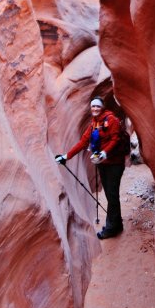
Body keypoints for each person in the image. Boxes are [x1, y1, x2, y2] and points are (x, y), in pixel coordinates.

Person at [55, 96, 125, 239]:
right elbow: (82, 142)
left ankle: (112, 228)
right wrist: (66, 157)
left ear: (102, 107)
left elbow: (115, 139)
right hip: (103, 164)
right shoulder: (94, 123)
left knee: (112, 195)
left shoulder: (111, 120)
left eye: (97, 106)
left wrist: (104, 153)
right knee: (110, 194)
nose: (95, 109)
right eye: (93, 106)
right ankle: (116, 223)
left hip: (114, 163)